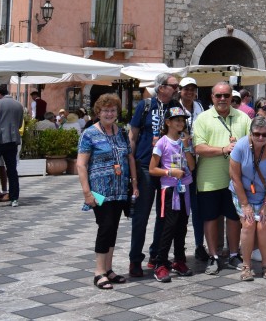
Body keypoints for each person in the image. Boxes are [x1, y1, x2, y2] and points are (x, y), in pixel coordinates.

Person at [77, 93, 137, 289]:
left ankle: (109, 269)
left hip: (119, 190)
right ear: (98, 112)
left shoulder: (121, 132)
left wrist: (134, 185)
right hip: (100, 191)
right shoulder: (89, 134)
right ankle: (99, 272)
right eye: (106, 110)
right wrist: (87, 193)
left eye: (113, 110)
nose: (109, 113)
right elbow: (81, 165)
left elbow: (129, 158)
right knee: (105, 227)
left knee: (113, 228)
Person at [192, 80, 250, 274]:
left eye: (227, 95)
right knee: (210, 218)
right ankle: (213, 256)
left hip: (236, 180)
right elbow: (198, 147)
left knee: (234, 218)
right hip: (209, 178)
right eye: (219, 96)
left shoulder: (242, 118)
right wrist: (224, 149)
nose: (223, 99)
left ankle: (234, 254)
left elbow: (253, 142)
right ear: (212, 98)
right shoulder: (203, 118)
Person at [127, 72, 180, 277]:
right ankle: (135, 260)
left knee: (163, 215)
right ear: (161, 87)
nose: (176, 89)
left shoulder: (175, 108)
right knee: (141, 216)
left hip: (166, 168)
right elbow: (133, 135)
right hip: (144, 166)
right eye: (173, 86)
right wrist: (130, 162)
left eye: (177, 86)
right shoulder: (145, 106)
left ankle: (156, 255)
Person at [229, 115, 266, 281]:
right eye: (257, 134)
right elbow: (235, 177)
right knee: (249, 223)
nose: (261, 138)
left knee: (263, 224)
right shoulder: (241, 146)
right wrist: (245, 205)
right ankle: (246, 266)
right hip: (242, 192)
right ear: (251, 133)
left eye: (265, 134)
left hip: (264, 193)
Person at [149, 106, 195, 283]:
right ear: (168, 122)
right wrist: (170, 173)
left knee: (182, 225)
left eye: (183, 120)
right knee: (168, 226)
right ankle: (160, 263)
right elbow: (152, 168)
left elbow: (191, 166)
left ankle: (179, 260)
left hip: (185, 188)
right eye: (177, 120)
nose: (180, 123)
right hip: (169, 190)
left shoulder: (185, 141)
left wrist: (187, 147)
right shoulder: (162, 142)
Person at [175, 76, 207, 261]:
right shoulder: (175, 108)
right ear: (180, 90)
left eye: (192, 89)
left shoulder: (200, 108)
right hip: (178, 163)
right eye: (186, 89)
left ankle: (198, 244)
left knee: (197, 206)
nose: (189, 92)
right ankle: (178, 247)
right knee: (179, 208)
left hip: (197, 161)